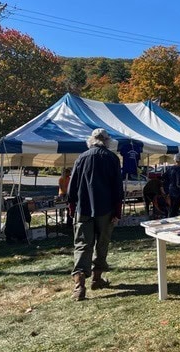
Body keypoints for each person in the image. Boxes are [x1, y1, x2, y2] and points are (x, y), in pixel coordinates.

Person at [68, 128, 124, 301]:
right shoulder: (112, 158)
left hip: (83, 208)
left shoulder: (81, 158)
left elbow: (72, 186)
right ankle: (97, 279)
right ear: (106, 141)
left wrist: (71, 207)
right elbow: (117, 188)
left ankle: (79, 287)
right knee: (102, 244)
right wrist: (117, 211)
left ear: (91, 140)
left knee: (82, 245)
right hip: (106, 209)